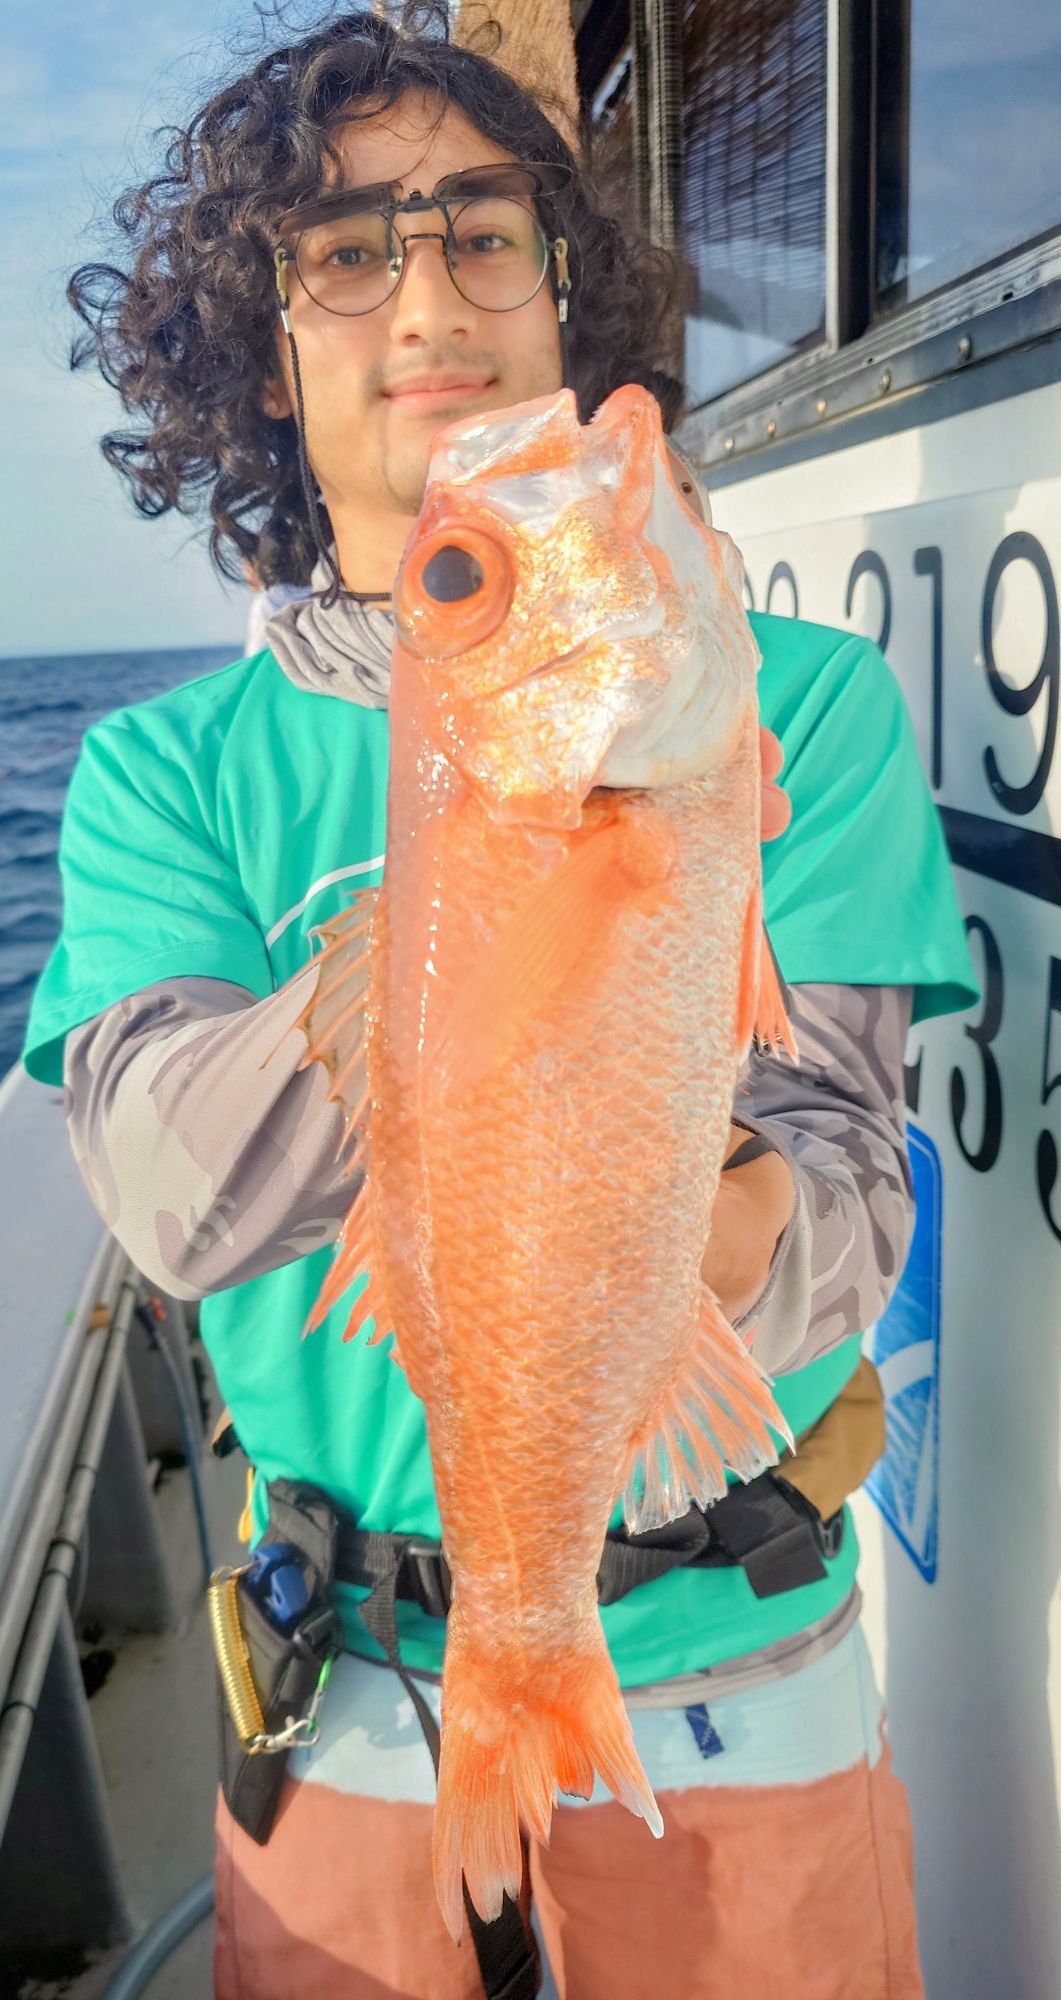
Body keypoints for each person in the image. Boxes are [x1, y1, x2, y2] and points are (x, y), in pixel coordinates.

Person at [23, 8, 977, 1996]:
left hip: (739, 1676)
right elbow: (173, 1202)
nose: (427, 299)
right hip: (353, 1708)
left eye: (482, 233)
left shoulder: (802, 710)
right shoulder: (160, 776)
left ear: (564, 290)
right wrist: (452, 963)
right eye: (343, 253)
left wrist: (687, 1228)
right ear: (264, 355)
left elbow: (850, 1187)